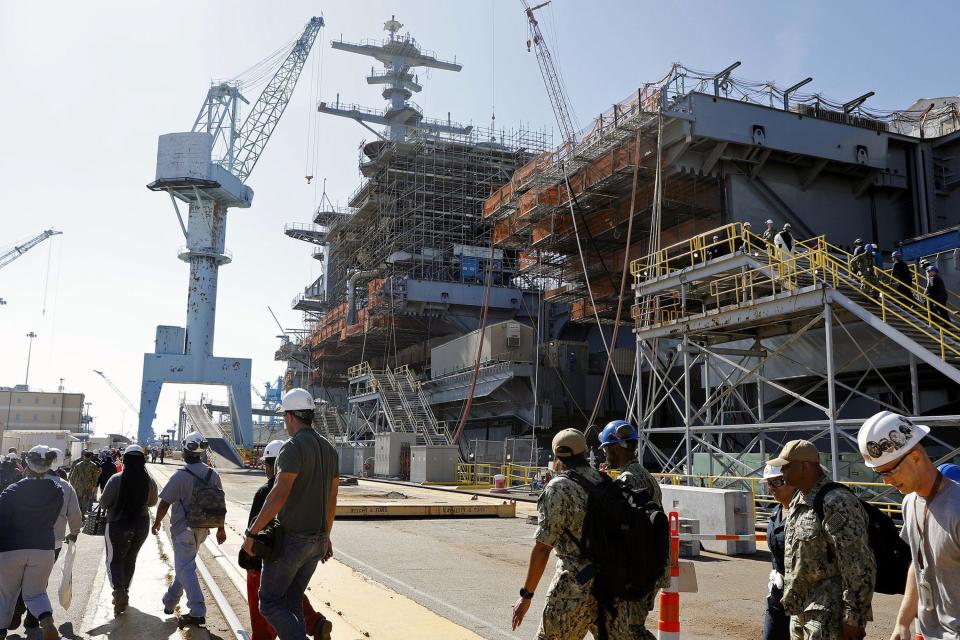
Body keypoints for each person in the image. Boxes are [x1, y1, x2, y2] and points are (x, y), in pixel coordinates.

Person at [511, 428, 631, 639]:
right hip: (612, 585)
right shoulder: (605, 481)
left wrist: (526, 595)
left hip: (574, 589)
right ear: (585, 452)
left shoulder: (559, 488)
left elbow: (542, 548)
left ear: (557, 455)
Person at [244, 389, 339, 640]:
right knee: (292, 600)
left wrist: (253, 532)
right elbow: (332, 499)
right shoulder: (330, 450)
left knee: (269, 603)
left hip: (293, 541)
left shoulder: (292, 447)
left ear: (289, 416)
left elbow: (279, 493)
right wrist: (326, 537)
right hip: (317, 541)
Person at [857, 412, 960, 640]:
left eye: (889, 471)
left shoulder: (957, 506)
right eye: (878, 473)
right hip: (926, 632)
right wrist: (903, 622)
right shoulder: (909, 503)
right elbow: (918, 561)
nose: (885, 481)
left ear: (915, 457)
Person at [767, 440, 875, 640]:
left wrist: (853, 616)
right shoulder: (799, 500)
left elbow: (857, 561)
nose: (781, 471)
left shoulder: (835, 502)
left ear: (804, 466)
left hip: (828, 614)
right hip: (801, 611)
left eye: (786, 466)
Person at [152, 432, 227, 627]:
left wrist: (157, 522)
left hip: (183, 528)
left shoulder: (180, 476)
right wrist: (221, 528)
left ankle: (197, 610)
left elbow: (164, 503)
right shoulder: (213, 474)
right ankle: (170, 601)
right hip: (203, 528)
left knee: (186, 568)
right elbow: (220, 503)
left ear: (186, 452)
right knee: (184, 567)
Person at [598, 420, 662, 640]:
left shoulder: (628, 479)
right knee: (632, 628)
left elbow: (624, 529)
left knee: (630, 630)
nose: (605, 455)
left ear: (616, 448)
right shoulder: (647, 476)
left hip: (639, 568)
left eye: (606, 449)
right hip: (651, 563)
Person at [10, 448, 83, 634]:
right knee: (40, 580)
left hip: (22, 540)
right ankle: (33, 619)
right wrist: (74, 533)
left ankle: (18, 606)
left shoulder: (24, 484)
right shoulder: (65, 486)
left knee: (19, 577)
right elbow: (75, 514)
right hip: (53, 543)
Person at [0, 446, 64, 640]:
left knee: (5, 594)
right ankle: (47, 622)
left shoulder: (12, 490)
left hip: (11, 549)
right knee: (36, 593)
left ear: (27, 463)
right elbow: (53, 518)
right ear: (48, 466)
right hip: (43, 548)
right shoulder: (57, 490)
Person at [100, 445, 158, 616]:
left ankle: (119, 591)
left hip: (117, 525)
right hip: (141, 524)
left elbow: (103, 503)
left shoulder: (116, 479)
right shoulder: (149, 481)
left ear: (124, 460)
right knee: (130, 559)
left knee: (114, 560)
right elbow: (152, 503)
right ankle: (125, 590)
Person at [762, 464, 798, 640]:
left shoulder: (805, 512)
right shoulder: (776, 512)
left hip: (802, 598)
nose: (771, 488)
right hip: (777, 594)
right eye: (769, 483)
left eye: (777, 481)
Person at [69, 449, 100, 514]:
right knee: (86, 501)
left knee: (78, 500)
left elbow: (72, 476)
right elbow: (95, 477)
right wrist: (94, 486)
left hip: (79, 486)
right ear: (90, 456)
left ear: (84, 456)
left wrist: (72, 485)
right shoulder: (93, 465)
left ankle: (79, 513)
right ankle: (83, 514)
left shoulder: (78, 465)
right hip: (89, 486)